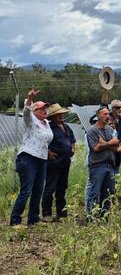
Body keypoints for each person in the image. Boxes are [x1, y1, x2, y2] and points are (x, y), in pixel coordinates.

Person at [10, 88, 53, 228]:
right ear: (35, 111)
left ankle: (33, 220)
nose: (44, 110)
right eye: (40, 108)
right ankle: (15, 221)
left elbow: (44, 141)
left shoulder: (46, 124)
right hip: (28, 159)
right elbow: (27, 111)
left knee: (38, 191)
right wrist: (29, 98)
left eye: (45, 108)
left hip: (41, 160)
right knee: (26, 190)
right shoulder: (30, 120)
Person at [85, 107, 121, 220]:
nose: (107, 116)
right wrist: (109, 144)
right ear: (98, 115)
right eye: (105, 114)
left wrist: (104, 144)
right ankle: (90, 216)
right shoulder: (92, 131)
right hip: (97, 165)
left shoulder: (109, 130)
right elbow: (95, 148)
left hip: (109, 165)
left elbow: (115, 146)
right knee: (94, 192)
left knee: (108, 192)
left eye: (108, 114)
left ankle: (104, 216)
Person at [41, 103, 75, 222]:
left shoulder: (66, 127)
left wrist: (73, 148)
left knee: (62, 189)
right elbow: (42, 140)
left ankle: (62, 214)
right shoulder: (48, 127)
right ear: (53, 116)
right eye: (58, 114)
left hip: (65, 163)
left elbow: (72, 140)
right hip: (53, 164)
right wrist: (48, 151)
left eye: (62, 114)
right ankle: (46, 214)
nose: (61, 116)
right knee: (50, 189)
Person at [100, 91, 121, 173]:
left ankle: (114, 185)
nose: (120, 109)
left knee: (116, 171)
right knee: (107, 171)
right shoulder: (107, 117)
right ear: (112, 108)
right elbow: (103, 105)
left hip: (119, 151)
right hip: (108, 150)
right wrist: (105, 90)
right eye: (117, 107)